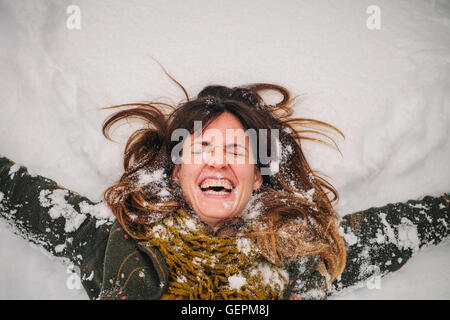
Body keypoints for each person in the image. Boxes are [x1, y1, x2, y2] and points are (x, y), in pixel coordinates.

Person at [0, 81, 448, 300]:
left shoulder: (304, 253)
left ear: (258, 176)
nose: (218, 160)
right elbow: (25, 197)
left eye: (237, 149)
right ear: (176, 173)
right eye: (201, 147)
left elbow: (393, 230)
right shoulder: (116, 242)